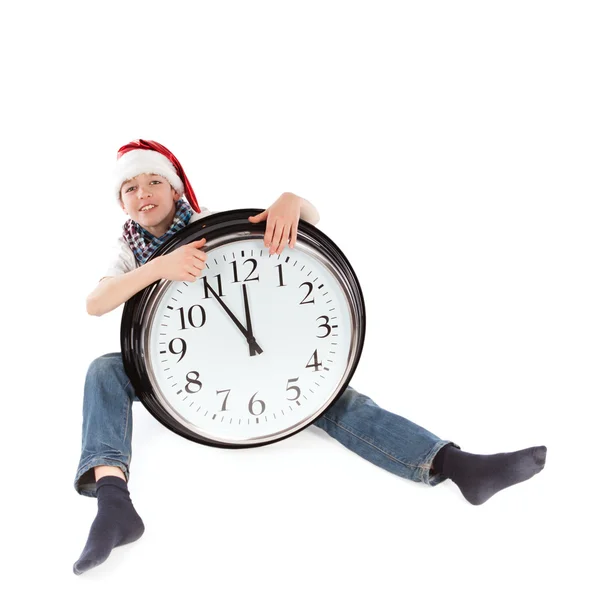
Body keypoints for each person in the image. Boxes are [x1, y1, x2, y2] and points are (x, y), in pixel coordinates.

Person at [73, 139, 547, 575]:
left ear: (176, 188)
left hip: (269, 354)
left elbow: (306, 217)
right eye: (130, 188)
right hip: (184, 371)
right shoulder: (129, 253)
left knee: (339, 402)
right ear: (122, 203)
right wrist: (158, 268)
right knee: (104, 371)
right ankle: (114, 502)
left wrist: (291, 201)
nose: (144, 192)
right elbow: (96, 303)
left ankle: (456, 466)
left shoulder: (209, 224)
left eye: (154, 180)